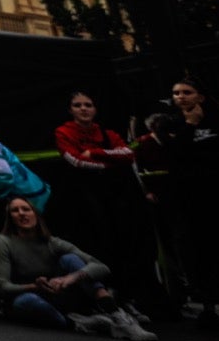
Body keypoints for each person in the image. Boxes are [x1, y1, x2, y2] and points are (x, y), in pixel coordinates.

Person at [154, 76, 219, 329]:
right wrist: (190, 127)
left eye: (187, 91)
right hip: (191, 203)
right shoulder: (169, 124)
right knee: (200, 255)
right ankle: (208, 306)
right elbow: (174, 156)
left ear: (200, 96)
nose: (181, 96)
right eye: (176, 93)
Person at [0, 196, 156, 341]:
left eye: (26, 209)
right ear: (10, 218)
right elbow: (2, 286)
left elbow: (101, 267)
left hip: (59, 295)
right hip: (28, 298)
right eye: (15, 211)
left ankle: (117, 316)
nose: (21, 213)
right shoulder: (3, 242)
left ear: (35, 213)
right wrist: (34, 286)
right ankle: (78, 322)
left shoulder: (52, 242)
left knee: (70, 259)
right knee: (28, 301)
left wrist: (71, 278)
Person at [52, 91, 156, 303]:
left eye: (88, 104)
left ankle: (126, 291)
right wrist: (109, 164)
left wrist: (96, 154)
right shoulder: (64, 131)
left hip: (114, 198)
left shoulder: (107, 133)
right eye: (78, 105)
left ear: (95, 109)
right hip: (84, 199)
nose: (83, 109)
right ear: (70, 109)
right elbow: (75, 160)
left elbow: (127, 154)